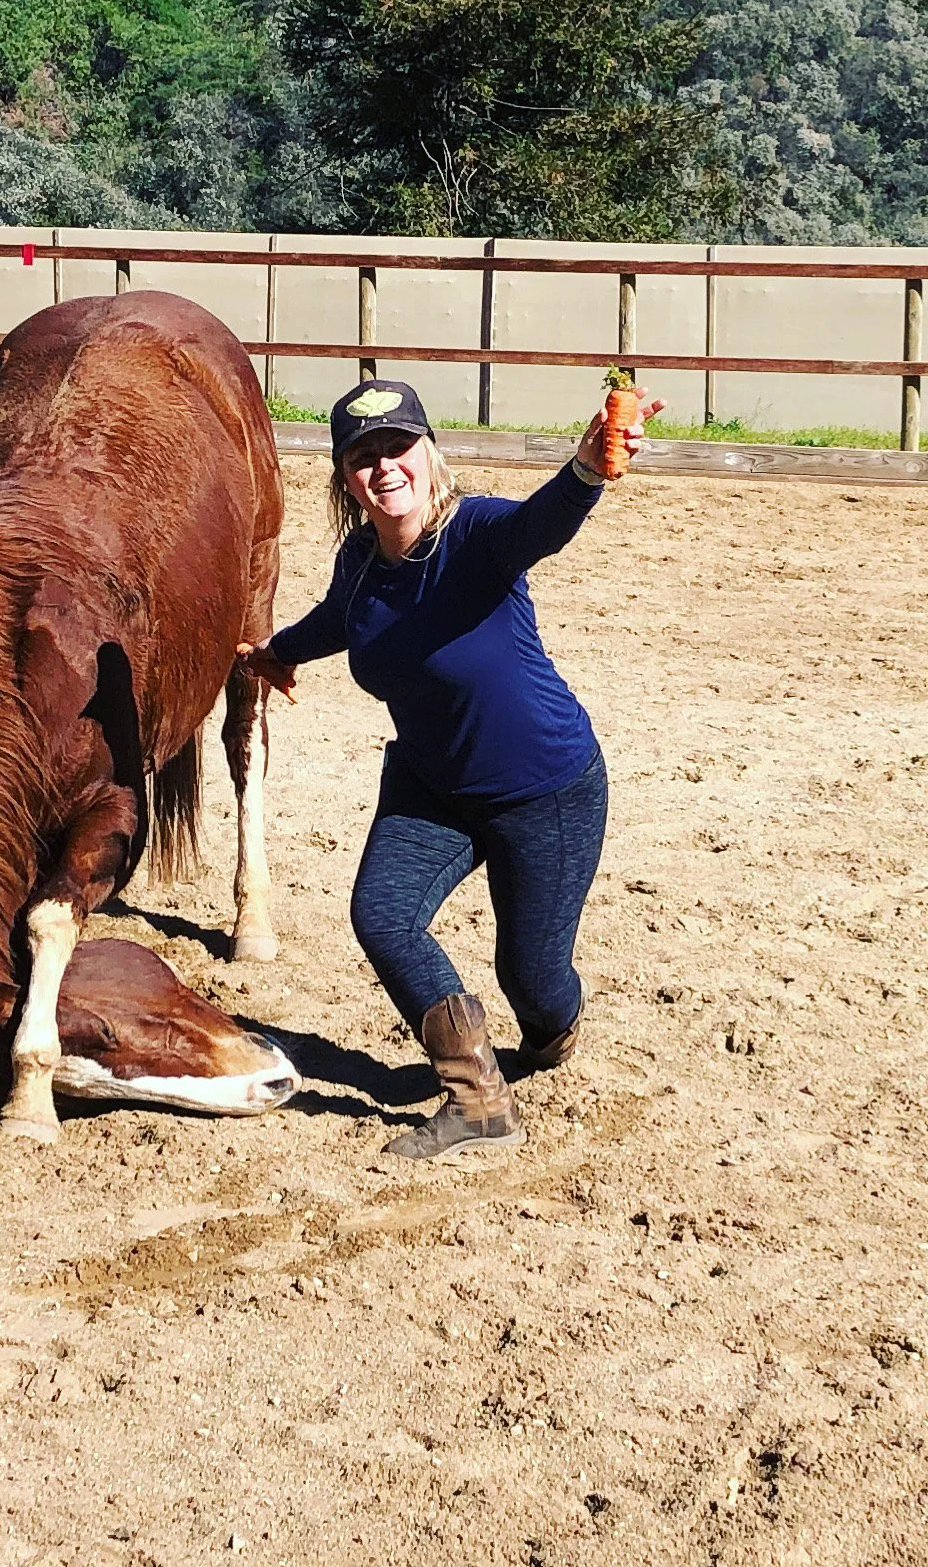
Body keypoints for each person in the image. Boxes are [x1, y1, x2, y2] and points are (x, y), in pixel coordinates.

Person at [238, 376, 659, 1164]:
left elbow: (546, 522)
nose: (384, 467)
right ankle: (477, 1102)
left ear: (430, 454)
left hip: (545, 787)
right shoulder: (360, 559)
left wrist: (590, 467)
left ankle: (552, 1034)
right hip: (432, 784)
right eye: (363, 457)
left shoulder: (480, 533)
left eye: (399, 447)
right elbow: (342, 619)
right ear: (344, 478)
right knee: (383, 915)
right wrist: (279, 653)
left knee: (530, 978)